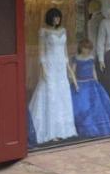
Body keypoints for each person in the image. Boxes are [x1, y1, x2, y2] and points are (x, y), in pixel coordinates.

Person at [28, 8, 77, 144]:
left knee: (62, 95)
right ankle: (50, 131)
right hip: (50, 65)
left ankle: (64, 130)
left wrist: (67, 66)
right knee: (50, 94)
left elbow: (65, 50)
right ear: (50, 18)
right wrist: (42, 67)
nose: (57, 19)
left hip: (61, 66)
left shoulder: (63, 31)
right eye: (55, 17)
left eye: (58, 17)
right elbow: (41, 51)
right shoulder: (43, 31)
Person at [69, 39, 110, 138]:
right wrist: (75, 84)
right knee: (83, 107)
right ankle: (84, 128)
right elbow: (73, 72)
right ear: (81, 47)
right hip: (80, 84)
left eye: (88, 48)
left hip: (91, 83)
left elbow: (93, 71)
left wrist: (96, 81)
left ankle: (97, 127)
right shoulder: (76, 58)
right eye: (85, 48)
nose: (87, 50)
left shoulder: (91, 58)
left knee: (97, 107)